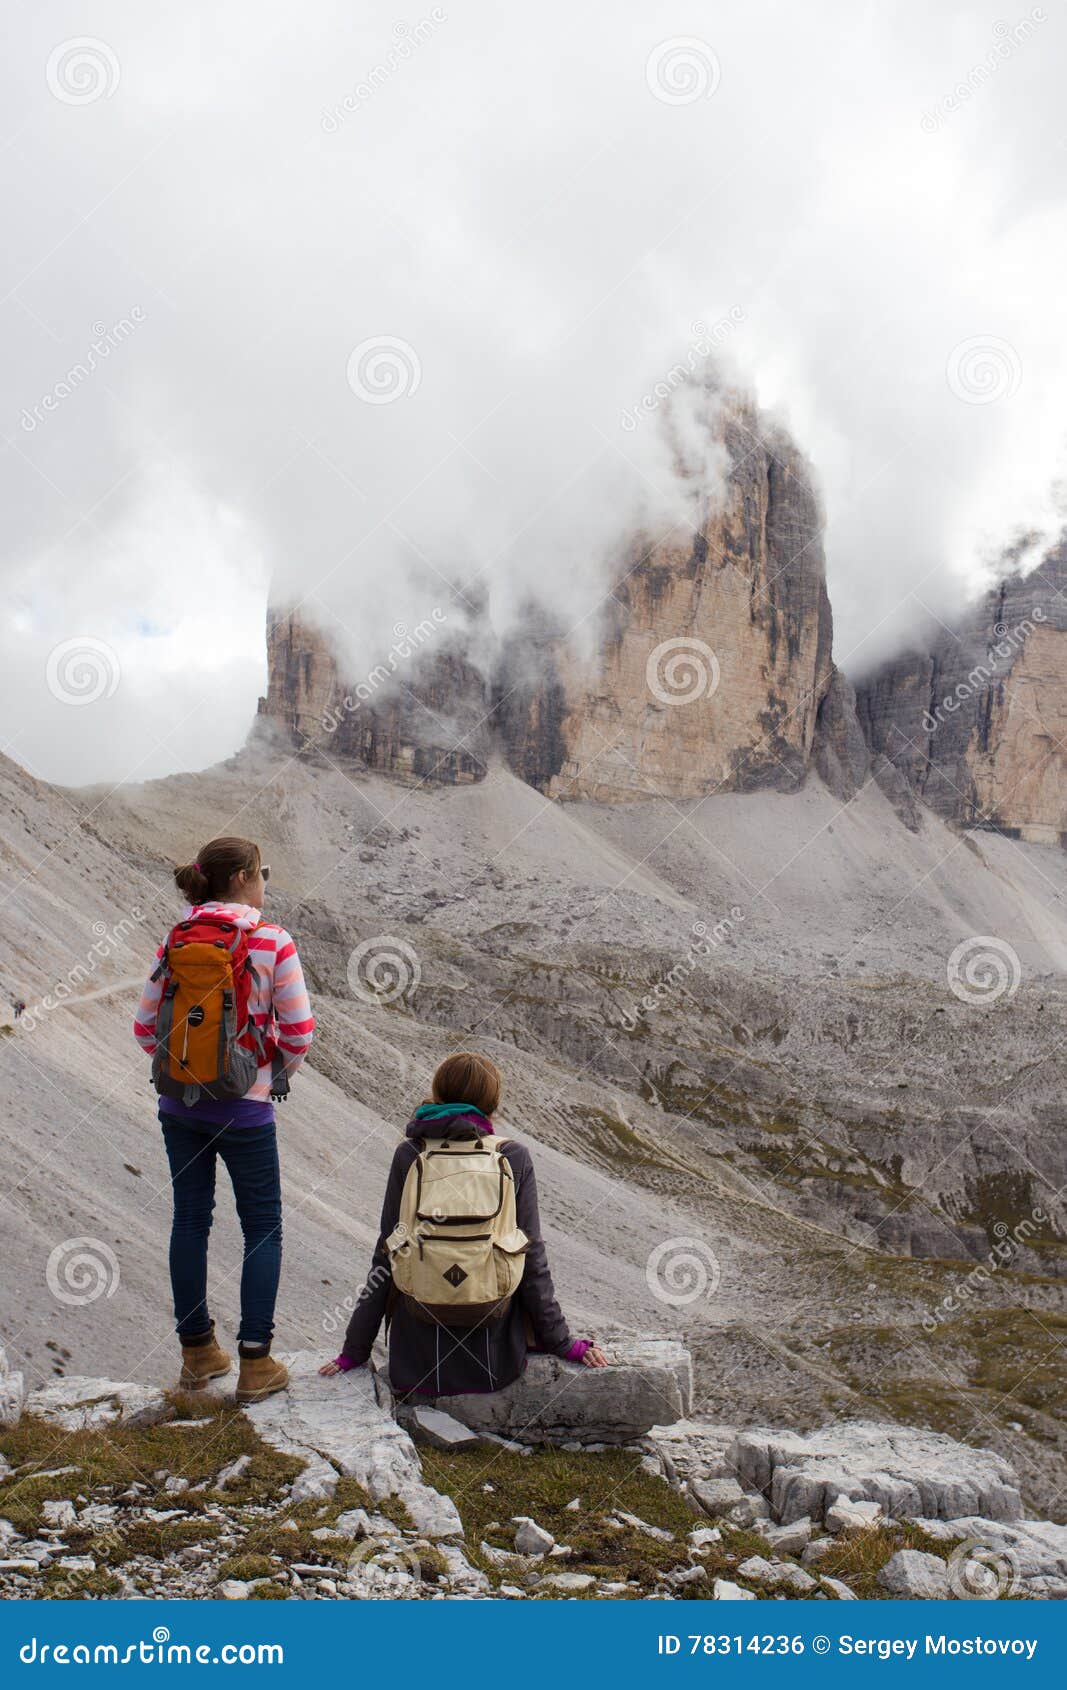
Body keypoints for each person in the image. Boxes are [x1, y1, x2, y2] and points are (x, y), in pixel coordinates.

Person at [133, 835, 314, 1403]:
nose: (265, 881)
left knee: (190, 1221)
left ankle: (198, 1355)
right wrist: (264, 1071)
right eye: (262, 871)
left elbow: (145, 1030)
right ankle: (255, 1365)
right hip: (246, 1110)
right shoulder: (272, 940)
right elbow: (300, 1033)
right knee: (262, 1228)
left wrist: (192, 1070)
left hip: (177, 1106)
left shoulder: (178, 938)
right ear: (240, 879)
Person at [320, 1051, 607, 1394]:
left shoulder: (410, 1155)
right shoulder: (511, 1156)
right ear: (492, 1103)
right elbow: (531, 1258)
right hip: (495, 1361)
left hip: (417, 1364)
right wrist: (564, 1344)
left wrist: (354, 1352)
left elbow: (386, 1254)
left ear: (438, 1093)